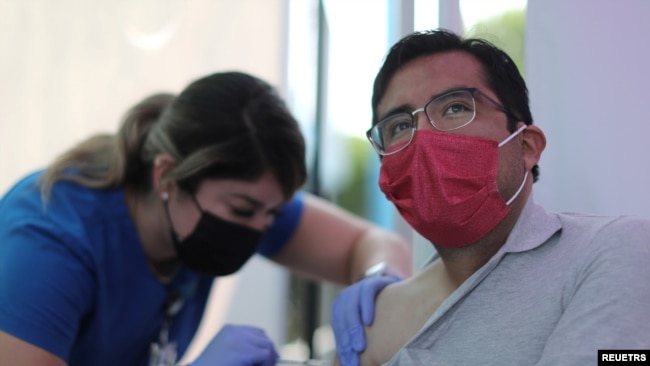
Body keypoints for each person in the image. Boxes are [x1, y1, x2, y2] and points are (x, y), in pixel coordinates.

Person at [0, 71, 412, 366]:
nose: (259, 228)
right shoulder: (50, 243)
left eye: (273, 213)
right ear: (168, 177)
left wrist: (378, 279)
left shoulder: (235, 204)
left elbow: (374, 245)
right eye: (242, 210)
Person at [331, 29, 650, 366]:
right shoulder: (370, 321)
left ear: (526, 146)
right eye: (398, 126)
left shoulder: (613, 250)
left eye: (454, 108)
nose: (422, 137)